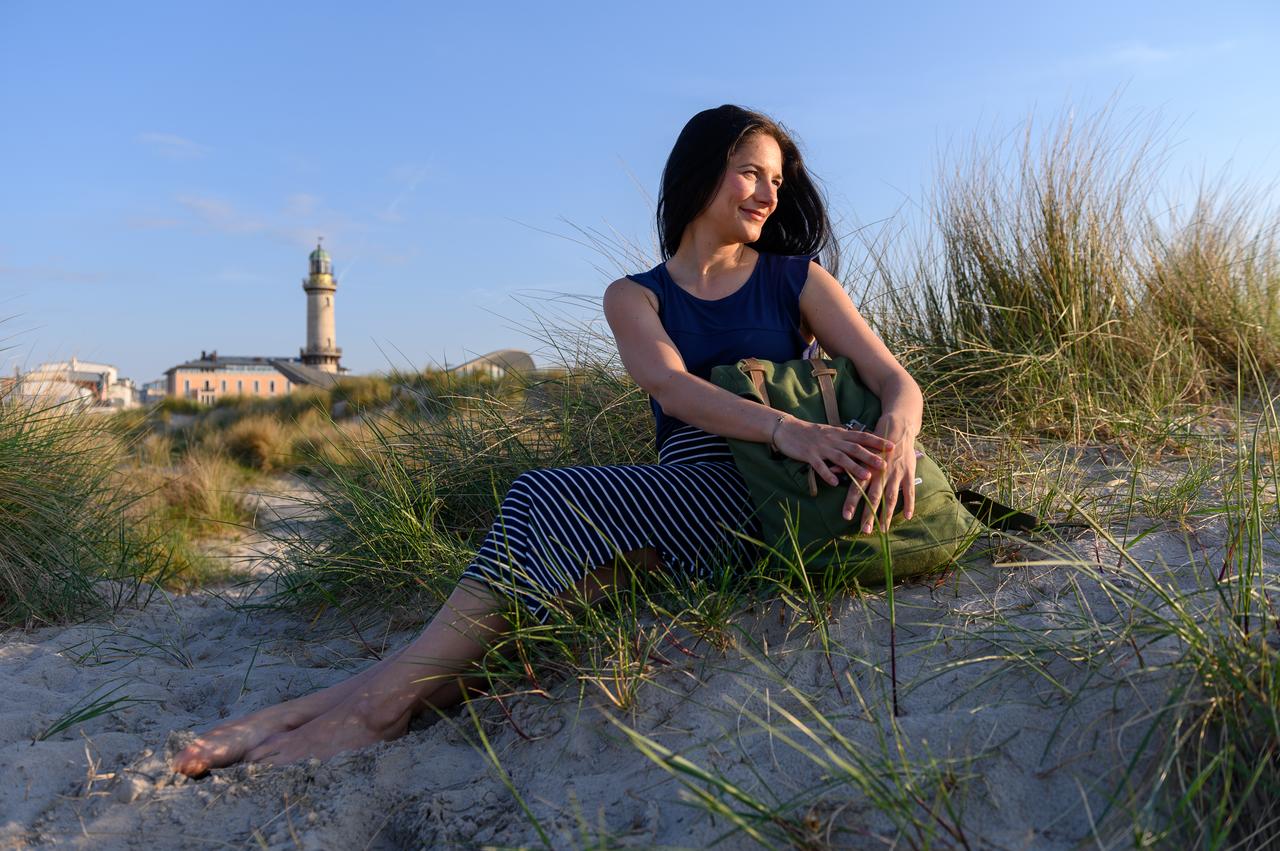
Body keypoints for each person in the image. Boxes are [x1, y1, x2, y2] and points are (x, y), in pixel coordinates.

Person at [172, 104, 922, 776]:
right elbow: (669, 387)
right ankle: (329, 708)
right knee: (515, 616)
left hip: (767, 488)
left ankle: (365, 710)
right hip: (684, 494)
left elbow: (896, 380)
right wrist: (786, 425)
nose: (768, 193)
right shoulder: (636, 296)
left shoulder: (796, 278)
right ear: (701, 172)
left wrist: (893, 431)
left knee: (539, 496)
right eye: (751, 172)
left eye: (777, 180)